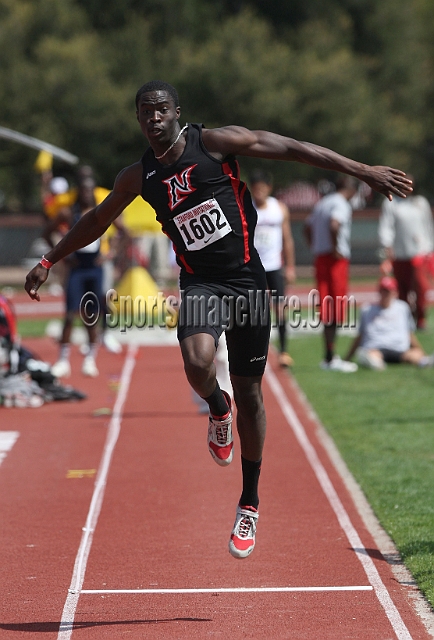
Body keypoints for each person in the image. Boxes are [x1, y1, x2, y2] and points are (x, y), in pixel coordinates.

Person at [25, 80, 413, 559]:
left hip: (248, 280)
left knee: (252, 391)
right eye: (145, 112)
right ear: (138, 119)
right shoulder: (138, 176)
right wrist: (49, 259)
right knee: (196, 362)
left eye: (161, 110)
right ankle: (216, 406)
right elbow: (96, 219)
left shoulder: (214, 144)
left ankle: (249, 502)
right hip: (201, 284)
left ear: (176, 113)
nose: (153, 118)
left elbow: (293, 149)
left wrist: (363, 170)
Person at [304, 176, 359, 372]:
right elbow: (335, 224)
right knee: (336, 306)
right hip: (335, 260)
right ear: (351, 189)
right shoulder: (341, 203)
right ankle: (331, 356)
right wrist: (335, 247)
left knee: (326, 306)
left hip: (321, 258)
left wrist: (314, 245)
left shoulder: (322, 203)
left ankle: (328, 353)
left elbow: (307, 226)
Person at [50, 177, 103, 378]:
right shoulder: (68, 213)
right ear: (78, 192)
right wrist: (62, 255)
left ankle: (90, 358)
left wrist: (111, 252)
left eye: (90, 190)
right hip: (77, 268)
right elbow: (48, 231)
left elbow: (123, 231)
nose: (87, 194)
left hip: (94, 268)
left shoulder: (102, 211)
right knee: (70, 314)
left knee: (91, 316)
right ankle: (63, 360)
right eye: (83, 190)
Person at [250, 169, 296, 368]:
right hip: (253, 267)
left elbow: (287, 239)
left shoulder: (279, 209)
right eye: (255, 189)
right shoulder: (246, 208)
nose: (258, 192)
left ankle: (284, 351)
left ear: (268, 188)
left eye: (261, 188)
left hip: (274, 266)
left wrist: (291, 266)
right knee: (256, 312)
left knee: (280, 308)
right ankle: (256, 352)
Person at [378, 176, 434, 330]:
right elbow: (386, 227)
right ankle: (406, 318)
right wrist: (387, 246)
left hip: (419, 253)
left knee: (421, 287)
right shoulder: (391, 203)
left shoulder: (420, 202)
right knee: (402, 289)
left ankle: (421, 318)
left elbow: (428, 226)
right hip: (400, 253)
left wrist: (430, 248)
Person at [345, 276, 434, 369]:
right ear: (379, 292)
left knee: (414, 355)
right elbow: (361, 335)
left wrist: (422, 353)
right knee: (370, 355)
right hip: (376, 347)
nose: (385, 294)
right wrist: (348, 357)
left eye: (388, 291)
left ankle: (425, 362)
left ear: (395, 292)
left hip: (399, 348)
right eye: (383, 291)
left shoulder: (402, 308)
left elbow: (409, 334)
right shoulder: (367, 309)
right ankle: (375, 363)